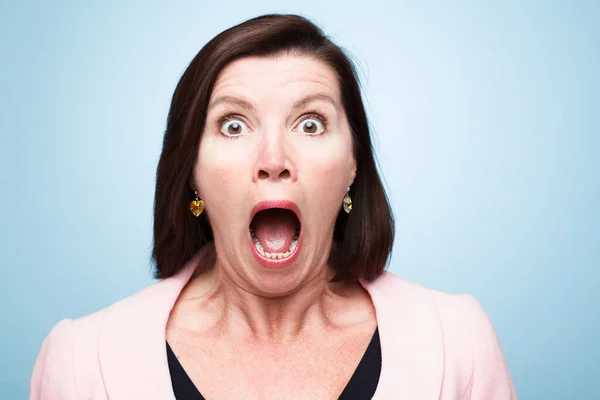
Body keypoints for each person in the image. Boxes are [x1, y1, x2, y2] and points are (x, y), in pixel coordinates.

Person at [29, 14, 516, 399]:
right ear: (191, 173)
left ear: (353, 166)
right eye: (234, 125)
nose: (274, 161)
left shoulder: (458, 342)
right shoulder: (80, 360)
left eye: (310, 124)